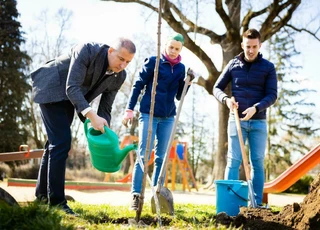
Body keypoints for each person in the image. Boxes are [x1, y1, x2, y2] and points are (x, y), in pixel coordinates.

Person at [31, 38, 136, 215]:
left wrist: (103, 131)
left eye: (128, 62)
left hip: (69, 99)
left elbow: (105, 108)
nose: (123, 65)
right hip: (51, 85)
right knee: (61, 142)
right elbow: (72, 87)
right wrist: (90, 115)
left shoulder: (120, 76)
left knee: (54, 144)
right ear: (111, 51)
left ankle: (42, 197)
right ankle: (57, 202)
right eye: (121, 59)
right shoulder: (87, 51)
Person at [122, 33, 193, 210]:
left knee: (162, 157)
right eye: (171, 47)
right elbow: (138, 85)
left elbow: (178, 96)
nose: (174, 51)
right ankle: (136, 196)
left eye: (177, 48)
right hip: (149, 113)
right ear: (165, 46)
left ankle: (157, 194)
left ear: (181, 49)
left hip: (168, 116)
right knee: (143, 154)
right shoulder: (153, 62)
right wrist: (129, 110)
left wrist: (187, 83)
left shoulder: (180, 68)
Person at [213, 28, 277, 206]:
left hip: (258, 122)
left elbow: (272, 95)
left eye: (254, 46)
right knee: (233, 161)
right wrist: (226, 100)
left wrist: (256, 108)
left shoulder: (268, 68)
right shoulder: (233, 64)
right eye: (247, 46)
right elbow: (216, 88)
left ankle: (255, 204)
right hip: (237, 120)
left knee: (257, 161)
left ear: (260, 45)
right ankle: (230, 204)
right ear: (242, 45)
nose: (250, 50)